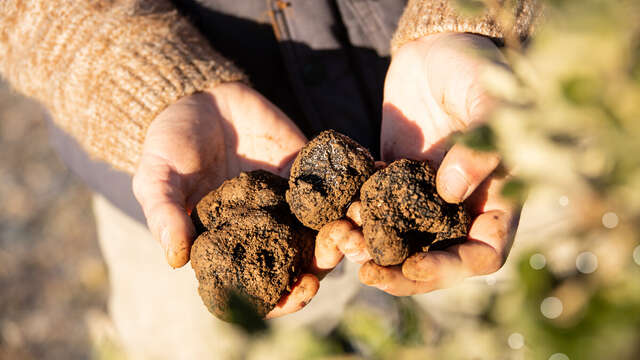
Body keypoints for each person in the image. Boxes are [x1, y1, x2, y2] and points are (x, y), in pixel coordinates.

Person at [0, 0, 537, 358]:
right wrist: (136, 72)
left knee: (533, 313)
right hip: (188, 163)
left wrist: (478, 15)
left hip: (462, 122)